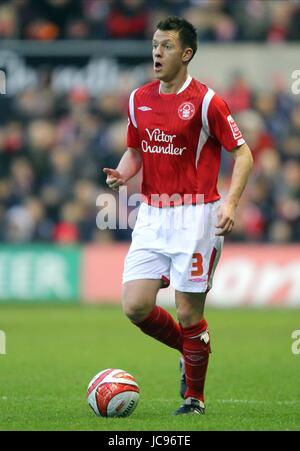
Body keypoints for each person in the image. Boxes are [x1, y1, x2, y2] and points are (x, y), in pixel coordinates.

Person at [103, 16, 253, 415]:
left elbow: (243, 154)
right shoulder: (138, 98)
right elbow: (135, 150)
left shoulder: (207, 101)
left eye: (166, 46)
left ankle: (194, 399)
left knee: (189, 313)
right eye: (155, 44)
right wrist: (123, 173)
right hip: (152, 214)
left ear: (186, 54)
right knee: (135, 306)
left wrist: (231, 203)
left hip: (197, 217)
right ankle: (189, 351)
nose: (157, 51)